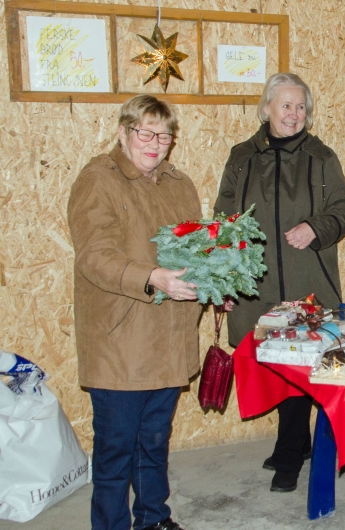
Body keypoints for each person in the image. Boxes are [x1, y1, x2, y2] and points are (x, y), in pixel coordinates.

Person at [214, 72, 345, 493]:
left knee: (298, 360)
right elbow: (223, 221)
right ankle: (296, 442)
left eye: (300, 107)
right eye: (285, 105)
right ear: (266, 109)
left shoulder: (321, 156)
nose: (293, 114)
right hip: (255, 284)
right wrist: (222, 279)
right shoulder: (241, 157)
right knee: (271, 362)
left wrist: (316, 227)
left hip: (306, 282)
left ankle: (291, 454)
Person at [68, 95, 201, 530]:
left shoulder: (179, 184)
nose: (155, 143)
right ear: (123, 132)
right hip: (121, 339)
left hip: (168, 334)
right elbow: (95, 257)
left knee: (154, 442)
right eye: (145, 132)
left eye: (165, 135)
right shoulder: (97, 181)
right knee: (115, 450)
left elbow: (196, 250)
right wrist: (153, 277)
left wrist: (216, 284)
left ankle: (152, 518)